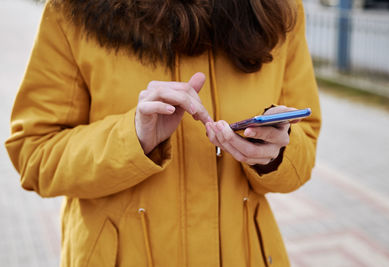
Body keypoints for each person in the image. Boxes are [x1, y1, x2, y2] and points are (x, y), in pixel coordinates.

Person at [5, 0, 321, 266]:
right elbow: (34, 153)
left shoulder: (279, 9)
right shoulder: (73, 10)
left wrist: (276, 153)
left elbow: (303, 148)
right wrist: (132, 139)